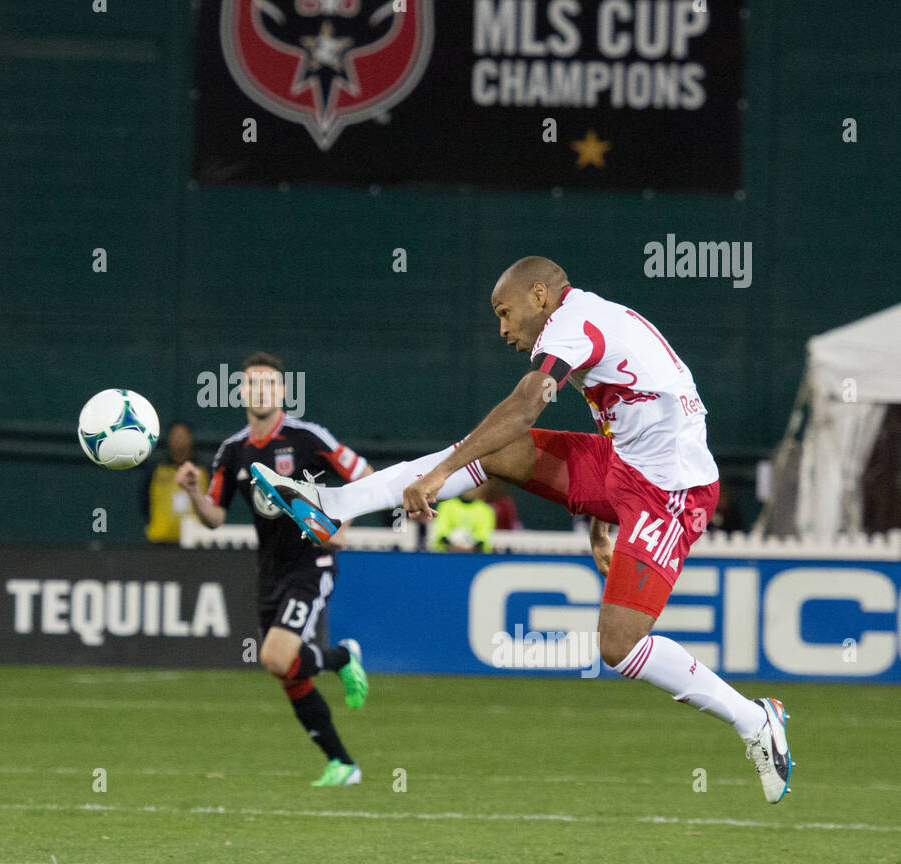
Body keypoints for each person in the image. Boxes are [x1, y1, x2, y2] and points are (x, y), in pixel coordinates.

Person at [251, 259, 793, 805]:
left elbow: (528, 404)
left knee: (618, 645)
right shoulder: (591, 318)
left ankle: (754, 720)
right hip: (627, 469)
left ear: (539, 295)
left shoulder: (572, 326)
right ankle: (333, 505)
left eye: (505, 314)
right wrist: (604, 520)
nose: (503, 330)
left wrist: (441, 474)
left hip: (672, 494)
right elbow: (639, 419)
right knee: (500, 451)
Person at [175, 351, 372, 787]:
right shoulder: (232, 451)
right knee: (283, 670)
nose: (259, 391)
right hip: (270, 571)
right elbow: (215, 518)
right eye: (251, 384)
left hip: (311, 563)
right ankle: (343, 763)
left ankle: (342, 657)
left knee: (276, 657)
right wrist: (192, 491)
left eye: (268, 384)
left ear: (282, 391)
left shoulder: (306, 437)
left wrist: (339, 525)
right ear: (241, 391)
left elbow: (364, 474)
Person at [140, 422, 206, 543]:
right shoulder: (156, 469)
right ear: (169, 439)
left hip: (197, 544)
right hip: (160, 542)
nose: (179, 440)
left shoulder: (203, 470)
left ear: (190, 439)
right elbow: (144, 502)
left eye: (182, 436)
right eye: (175, 436)